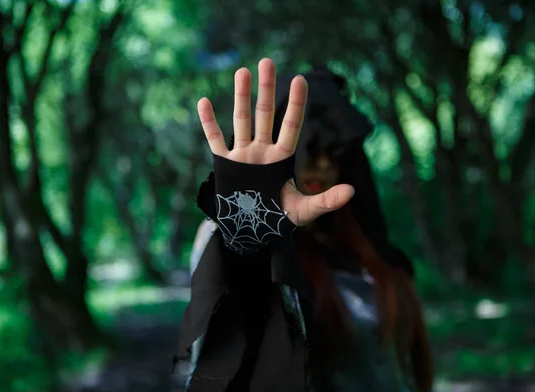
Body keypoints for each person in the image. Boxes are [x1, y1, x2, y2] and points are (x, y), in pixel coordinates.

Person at [172, 58, 433, 392]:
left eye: (333, 153)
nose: (322, 165)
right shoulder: (249, 244)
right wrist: (248, 227)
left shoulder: (366, 254)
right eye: (310, 149)